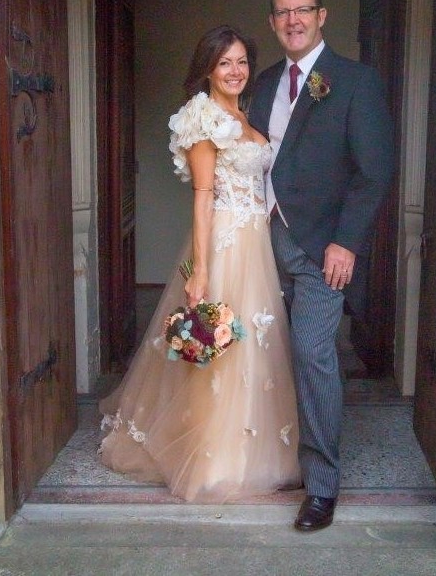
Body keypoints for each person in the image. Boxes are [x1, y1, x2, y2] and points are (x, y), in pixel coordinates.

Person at [99, 25, 301, 503]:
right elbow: (204, 197)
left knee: (258, 343)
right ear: (208, 68)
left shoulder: (245, 114)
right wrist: (202, 271)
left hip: (258, 244)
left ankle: (259, 450)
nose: (235, 71)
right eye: (225, 62)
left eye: (242, 62)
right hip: (226, 245)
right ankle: (215, 459)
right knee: (220, 344)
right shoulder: (202, 117)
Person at [248, 0, 395, 531]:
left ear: (321, 15)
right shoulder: (263, 84)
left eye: (302, 10)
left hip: (322, 248)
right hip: (263, 241)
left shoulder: (355, 81)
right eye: (283, 12)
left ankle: (322, 487)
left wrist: (347, 242)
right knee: (263, 352)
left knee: (312, 355)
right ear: (273, 22)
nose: (293, 20)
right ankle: (270, 457)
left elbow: (373, 171)